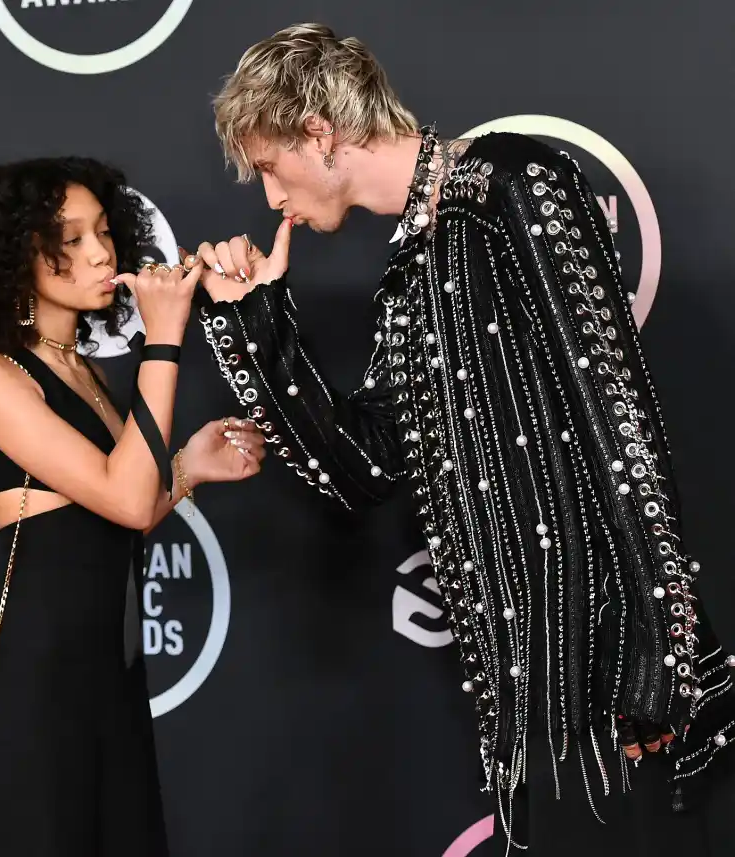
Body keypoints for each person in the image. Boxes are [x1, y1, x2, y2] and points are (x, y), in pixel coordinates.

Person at [185, 23, 735, 855]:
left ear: (318, 132)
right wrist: (255, 321)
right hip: (526, 705)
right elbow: (361, 468)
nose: (270, 199)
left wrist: (657, 658)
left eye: (269, 166)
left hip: (610, 683)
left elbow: (617, 414)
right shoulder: (409, 274)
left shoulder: (513, 180)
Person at [0, 156, 265, 857]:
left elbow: (108, 507)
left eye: (104, 231)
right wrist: (164, 338)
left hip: (109, 671)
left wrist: (187, 469)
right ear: (16, 253)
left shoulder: (86, 371)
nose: (100, 251)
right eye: (70, 238)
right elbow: (125, 500)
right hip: (33, 678)